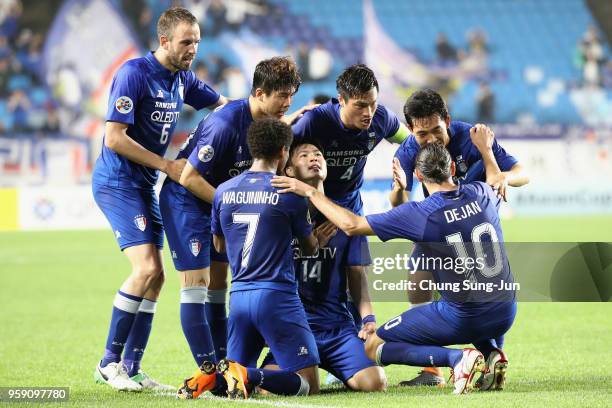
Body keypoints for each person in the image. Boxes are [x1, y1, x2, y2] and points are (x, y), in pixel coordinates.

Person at [272, 129, 517, 394]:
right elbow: (496, 180)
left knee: (374, 345)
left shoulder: (421, 212)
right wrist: (487, 152)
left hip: (463, 318)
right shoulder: (481, 192)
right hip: (506, 313)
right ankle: (492, 353)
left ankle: (457, 360)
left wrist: (310, 192)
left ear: (419, 176)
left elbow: (351, 225)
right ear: (454, 167)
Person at [91, 7, 227, 392]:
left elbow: (226, 105)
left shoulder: (182, 78)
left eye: (197, 42)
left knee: (158, 277)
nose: (193, 49)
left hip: (143, 184)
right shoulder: (134, 73)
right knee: (147, 268)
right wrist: (166, 165)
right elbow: (114, 137)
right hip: (118, 181)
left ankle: (131, 367)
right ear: (164, 40)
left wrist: (269, 115)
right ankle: (108, 363)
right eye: (187, 42)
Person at [157, 56, 309, 398]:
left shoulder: (267, 126)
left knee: (219, 282)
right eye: (282, 96)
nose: (288, 103)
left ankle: (226, 365)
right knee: (195, 283)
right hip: (187, 200)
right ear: (259, 92)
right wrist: (232, 203)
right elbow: (189, 176)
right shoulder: (226, 124)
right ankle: (209, 370)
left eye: (291, 96)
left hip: (222, 202)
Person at [388, 88, 527, 386]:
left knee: (477, 294)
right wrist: (400, 189)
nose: (431, 139)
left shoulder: (473, 137)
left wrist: (504, 177)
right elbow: (399, 205)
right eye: (422, 133)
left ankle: (492, 355)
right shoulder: (409, 151)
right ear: (411, 130)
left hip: (477, 229)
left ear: (447, 120)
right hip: (438, 227)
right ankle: (435, 369)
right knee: (417, 282)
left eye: (436, 130)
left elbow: (521, 172)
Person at [292, 63, 410, 346]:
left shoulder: (382, 119)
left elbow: (409, 142)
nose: (368, 112)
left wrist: (404, 173)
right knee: (302, 274)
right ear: (341, 100)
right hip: (311, 207)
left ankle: (357, 337)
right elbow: (283, 156)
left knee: (354, 275)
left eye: (373, 103)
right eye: (360, 105)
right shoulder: (315, 122)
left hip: (349, 208)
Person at [261, 140, 386, 392]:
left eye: (318, 154)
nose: (313, 158)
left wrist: (369, 320)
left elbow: (357, 277)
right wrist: (306, 245)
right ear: (289, 170)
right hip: (296, 327)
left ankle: (337, 368)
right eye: (304, 155)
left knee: (375, 383)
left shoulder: (345, 219)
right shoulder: (279, 217)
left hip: (337, 328)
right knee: (269, 388)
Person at [212, 119, 321, 398]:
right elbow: (310, 249)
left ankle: (209, 378)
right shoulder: (289, 191)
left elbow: (219, 244)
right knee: (308, 383)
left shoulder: (223, 191)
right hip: (277, 295)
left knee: (234, 384)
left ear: (252, 148)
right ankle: (251, 374)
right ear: (283, 152)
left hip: (238, 297)